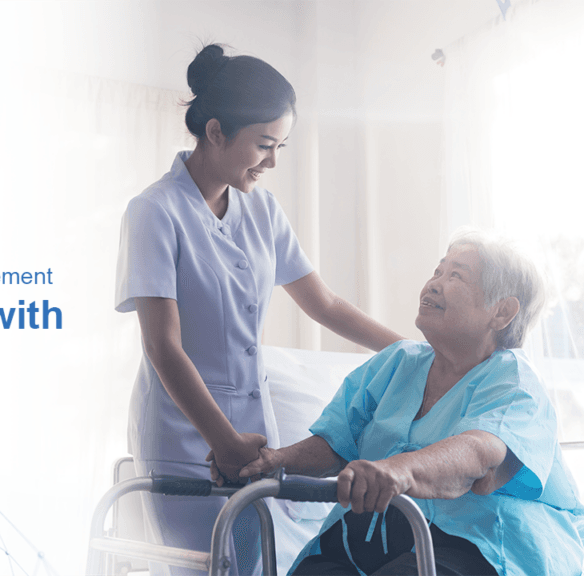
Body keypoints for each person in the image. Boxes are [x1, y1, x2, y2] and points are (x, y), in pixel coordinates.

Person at [114, 44, 404, 576]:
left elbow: (324, 304)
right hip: (187, 433)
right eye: (264, 145)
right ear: (218, 132)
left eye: (281, 146)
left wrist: (410, 351)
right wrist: (221, 441)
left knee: (255, 565)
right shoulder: (154, 212)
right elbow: (162, 346)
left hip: (254, 434)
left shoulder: (262, 209)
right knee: (201, 568)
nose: (272, 162)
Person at [233, 230, 584, 575]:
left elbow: (481, 453)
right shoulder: (396, 363)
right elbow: (337, 443)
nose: (434, 283)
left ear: (502, 312)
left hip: (481, 544)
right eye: (438, 271)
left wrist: (399, 469)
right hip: (368, 540)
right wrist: (274, 461)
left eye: (456, 275)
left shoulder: (513, 379)